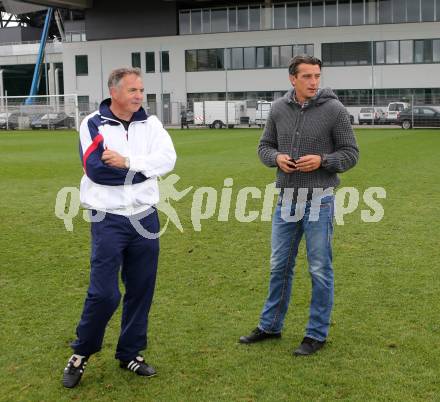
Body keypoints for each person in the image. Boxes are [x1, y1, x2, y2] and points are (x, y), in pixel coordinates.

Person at [62, 67, 176, 388]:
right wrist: (144, 170)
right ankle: (80, 353)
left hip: (145, 218)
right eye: (133, 90)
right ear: (114, 92)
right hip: (107, 218)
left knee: (141, 289)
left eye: (141, 90)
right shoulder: (92, 124)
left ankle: (130, 353)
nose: (139, 96)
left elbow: (168, 159)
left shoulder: (150, 123)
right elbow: (96, 169)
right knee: (104, 294)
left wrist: (128, 163)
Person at [239, 55, 359, 356]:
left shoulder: (334, 110)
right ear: (292, 79)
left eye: (317, 75)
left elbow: (351, 153)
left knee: (319, 268)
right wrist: (276, 158)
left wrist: (324, 161)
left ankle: (316, 334)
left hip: (320, 199)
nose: (313, 82)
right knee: (279, 266)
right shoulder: (279, 109)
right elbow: (264, 147)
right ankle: (270, 326)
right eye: (307, 76)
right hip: (286, 201)